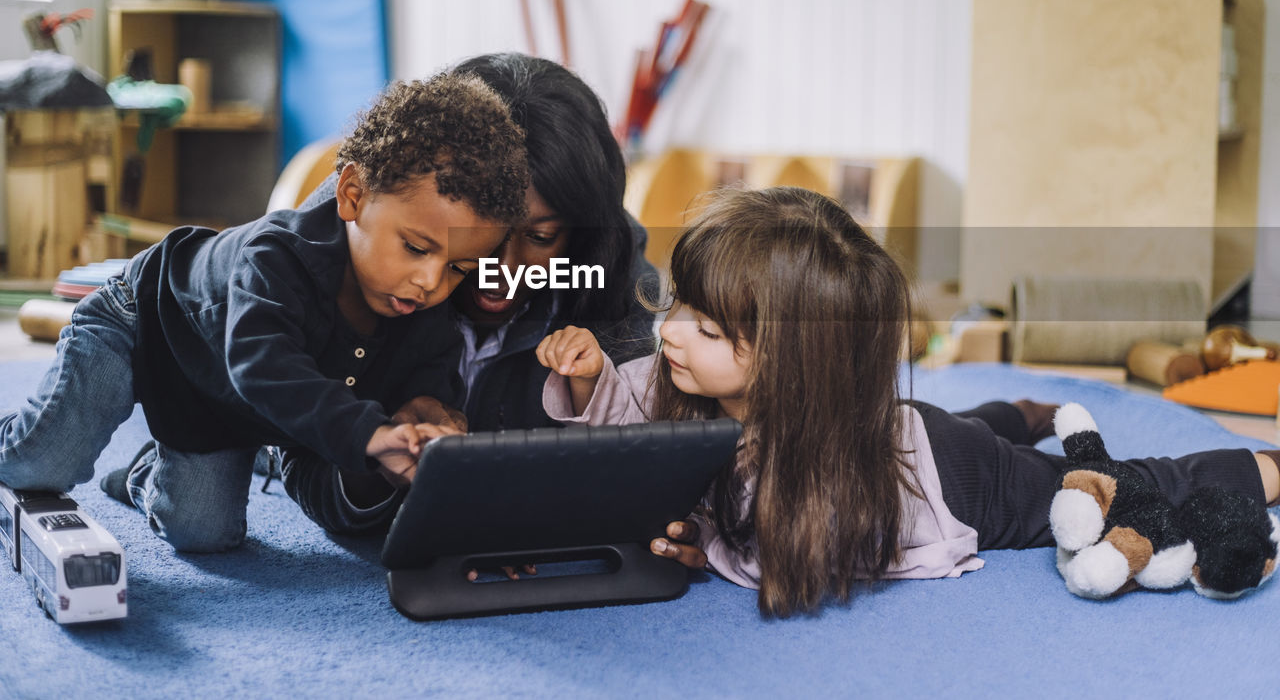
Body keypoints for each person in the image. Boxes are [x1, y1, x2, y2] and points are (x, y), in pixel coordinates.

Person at [536, 186, 1280, 617]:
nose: (671, 331)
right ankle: (1013, 411)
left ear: (790, 362)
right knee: (982, 424)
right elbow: (620, 423)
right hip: (907, 427)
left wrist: (710, 545)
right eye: (678, 303)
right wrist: (586, 376)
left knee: (1123, 483)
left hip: (948, 476)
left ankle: (1269, 464)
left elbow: (801, 563)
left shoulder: (826, 470)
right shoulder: (678, 371)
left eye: (707, 327)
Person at [0, 72, 528, 553]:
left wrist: (427, 416)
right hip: (144, 320)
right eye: (415, 248)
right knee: (38, 465)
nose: (431, 281)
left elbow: (428, 376)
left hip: (222, 399)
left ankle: (143, 474)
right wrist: (369, 434)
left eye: (459, 267)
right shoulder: (278, 255)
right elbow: (264, 367)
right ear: (351, 195)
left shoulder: (423, 305)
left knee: (203, 535)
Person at [274, 53, 660, 538]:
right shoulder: (352, 238)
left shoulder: (610, 258)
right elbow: (305, 468)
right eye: (473, 238)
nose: (502, 271)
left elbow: (642, 452)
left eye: (541, 238)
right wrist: (376, 454)